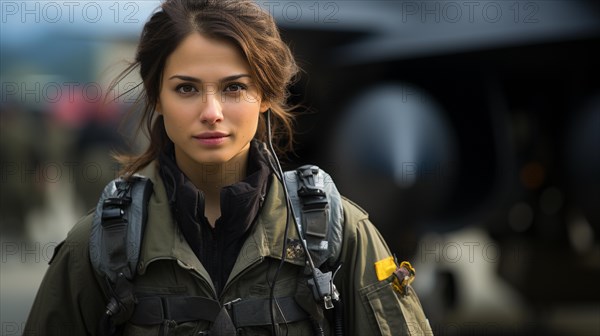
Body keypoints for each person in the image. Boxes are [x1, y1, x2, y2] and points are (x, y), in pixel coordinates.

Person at [25, 0, 433, 335]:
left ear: (267, 96)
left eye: (234, 88)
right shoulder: (100, 247)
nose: (211, 112)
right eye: (186, 88)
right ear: (156, 97)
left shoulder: (338, 233)